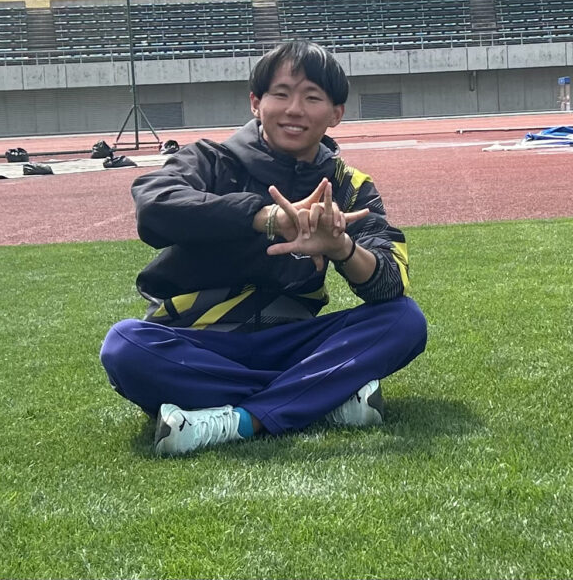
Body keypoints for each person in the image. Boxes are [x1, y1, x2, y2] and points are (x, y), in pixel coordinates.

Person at [100, 40, 427, 455]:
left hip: (290, 345)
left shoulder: (348, 186)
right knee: (125, 346)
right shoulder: (211, 160)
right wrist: (265, 217)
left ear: (336, 114)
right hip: (197, 344)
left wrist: (342, 247)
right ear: (256, 102)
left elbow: (390, 282)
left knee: (404, 321)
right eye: (281, 94)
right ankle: (319, 399)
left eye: (312, 98)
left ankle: (238, 420)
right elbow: (154, 206)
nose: (295, 109)